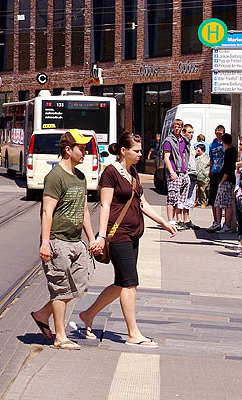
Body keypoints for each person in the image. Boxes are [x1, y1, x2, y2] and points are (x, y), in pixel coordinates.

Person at [79, 133, 177, 348]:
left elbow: (142, 202)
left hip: (133, 234)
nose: (141, 154)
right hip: (118, 234)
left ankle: (87, 314)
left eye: (141, 151)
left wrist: (164, 222)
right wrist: (101, 236)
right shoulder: (110, 173)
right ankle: (133, 333)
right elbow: (105, 206)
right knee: (130, 283)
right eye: (137, 151)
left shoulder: (132, 171)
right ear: (123, 150)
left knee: (121, 283)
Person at [30, 129, 97, 350]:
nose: (85, 152)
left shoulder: (80, 177)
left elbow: (85, 210)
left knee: (78, 286)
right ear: (68, 150)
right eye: (82, 148)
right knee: (60, 289)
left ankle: (42, 314)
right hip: (58, 241)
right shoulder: (55, 177)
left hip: (77, 241)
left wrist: (92, 238)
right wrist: (45, 242)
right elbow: (47, 212)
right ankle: (60, 337)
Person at [161, 119, 190, 230]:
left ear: (182, 128)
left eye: (179, 126)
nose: (177, 128)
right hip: (174, 172)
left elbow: (184, 155)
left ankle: (178, 220)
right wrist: (172, 172)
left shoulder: (184, 140)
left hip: (183, 171)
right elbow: (166, 158)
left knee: (181, 198)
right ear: (172, 128)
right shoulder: (169, 141)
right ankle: (171, 221)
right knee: (172, 197)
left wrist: (186, 169)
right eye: (175, 126)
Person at [176, 123, 197, 228]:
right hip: (185, 173)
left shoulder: (190, 144)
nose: (191, 135)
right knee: (181, 197)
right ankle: (179, 220)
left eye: (192, 133)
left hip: (192, 173)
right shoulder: (181, 143)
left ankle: (187, 219)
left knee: (189, 198)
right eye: (189, 132)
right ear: (183, 132)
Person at [207, 125, 226, 229]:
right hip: (214, 172)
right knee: (213, 198)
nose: (218, 136)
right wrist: (210, 171)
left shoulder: (225, 143)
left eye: (220, 134)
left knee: (223, 198)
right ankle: (215, 220)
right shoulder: (212, 144)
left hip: (222, 172)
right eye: (217, 133)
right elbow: (211, 158)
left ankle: (224, 221)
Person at [194, 141, 209, 207]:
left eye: (198, 149)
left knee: (202, 190)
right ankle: (195, 201)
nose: (197, 150)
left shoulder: (207, 157)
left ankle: (203, 202)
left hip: (204, 176)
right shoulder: (196, 157)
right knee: (196, 189)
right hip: (196, 176)